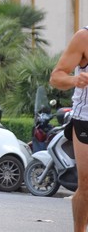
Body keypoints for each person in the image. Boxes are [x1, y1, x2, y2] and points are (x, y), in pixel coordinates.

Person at [50, 26, 88, 232]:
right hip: (86, 119)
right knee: (86, 185)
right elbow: (56, 77)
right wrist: (75, 80)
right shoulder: (84, 38)